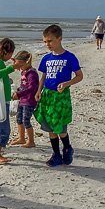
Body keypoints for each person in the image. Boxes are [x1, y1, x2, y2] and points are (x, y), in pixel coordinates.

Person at [34, 24, 84, 167]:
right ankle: (56, 154)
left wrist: (67, 83)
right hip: (47, 96)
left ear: (59, 39)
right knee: (49, 126)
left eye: (50, 41)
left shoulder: (69, 57)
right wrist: (38, 91)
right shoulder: (46, 59)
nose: (47, 44)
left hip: (61, 96)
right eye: (45, 41)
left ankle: (67, 148)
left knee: (61, 127)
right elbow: (43, 77)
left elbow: (80, 76)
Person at [10, 51, 39, 148]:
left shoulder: (32, 73)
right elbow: (24, 85)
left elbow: (32, 88)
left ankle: (31, 141)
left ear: (26, 62)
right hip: (22, 100)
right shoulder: (24, 72)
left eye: (20, 65)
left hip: (30, 101)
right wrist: (18, 90)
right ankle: (21, 138)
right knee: (19, 119)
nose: (18, 68)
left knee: (26, 120)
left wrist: (19, 94)